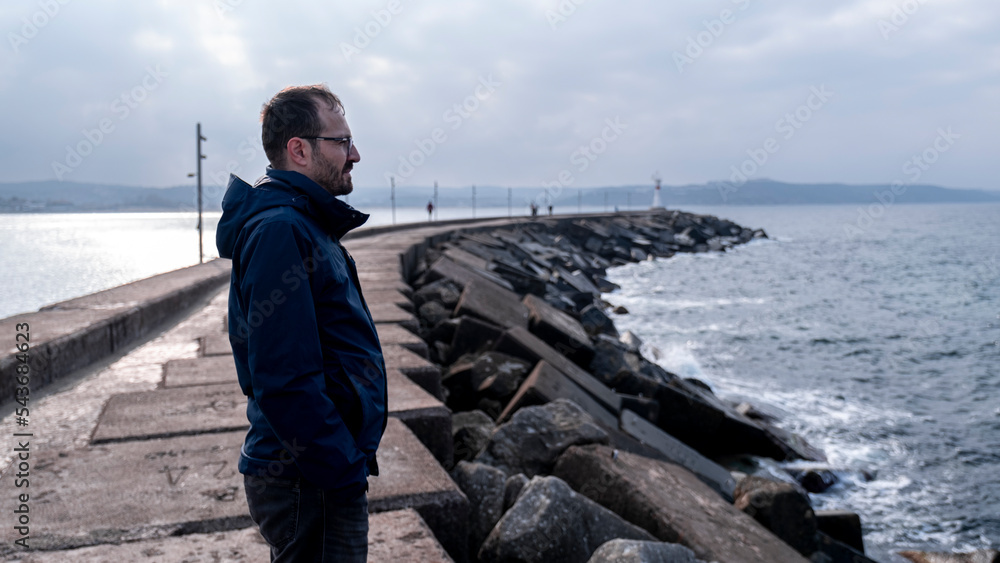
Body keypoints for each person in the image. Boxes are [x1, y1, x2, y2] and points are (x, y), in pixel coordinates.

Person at [215, 84, 387, 562]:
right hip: (307, 475)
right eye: (341, 142)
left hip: (312, 468)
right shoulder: (281, 231)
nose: (355, 154)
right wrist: (341, 468)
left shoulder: (301, 223)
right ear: (299, 150)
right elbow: (283, 377)